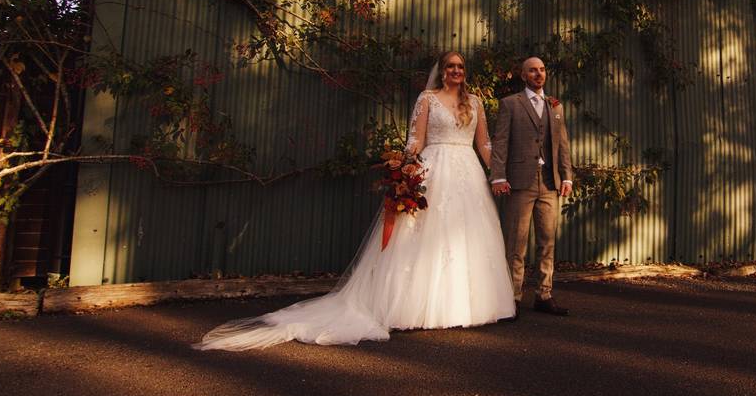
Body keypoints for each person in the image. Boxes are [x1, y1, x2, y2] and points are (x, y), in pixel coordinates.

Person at [193, 51, 515, 349]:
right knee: (425, 237)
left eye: (460, 67)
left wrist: (498, 173)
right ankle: (418, 307)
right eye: (450, 66)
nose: (456, 71)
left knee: (467, 237)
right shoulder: (427, 99)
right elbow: (414, 140)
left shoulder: (474, 102)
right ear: (442, 72)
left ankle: (469, 305)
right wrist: (404, 172)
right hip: (434, 170)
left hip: (468, 175)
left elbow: (484, 144)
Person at [491, 57, 574, 317]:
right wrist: (498, 176)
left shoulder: (555, 106)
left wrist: (567, 176)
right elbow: (500, 142)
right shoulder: (510, 104)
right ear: (523, 75)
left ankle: (544, 294)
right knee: (516, 242)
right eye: (532, 71)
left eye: (541, 70)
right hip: (520, 181)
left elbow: (562, 143)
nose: (538, 74)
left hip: (549, 182)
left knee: (547, 241)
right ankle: (512, 298)